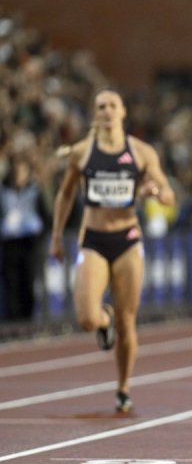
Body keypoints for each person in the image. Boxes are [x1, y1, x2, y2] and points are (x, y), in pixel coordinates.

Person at [49, 88, 175, 413]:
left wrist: (154, 191)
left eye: (112, 105)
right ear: (94, 114)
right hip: (92, 238)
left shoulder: (141, 152)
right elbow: (64, 195)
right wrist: (56, 235)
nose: (106, 111)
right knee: (86, 318)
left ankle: (123, 388)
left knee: (129, 323)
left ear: (122, 112)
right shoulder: (81, 152)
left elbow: (168, 194)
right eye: (100, 106)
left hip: (128, 240)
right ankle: (105, 318)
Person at [0, 154, 51, 321]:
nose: (18, 175)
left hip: (30, 243)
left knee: (28, 282)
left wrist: (40, 235)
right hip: (10, 243)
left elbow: (46, 216)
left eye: (22, 171)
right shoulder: (4, 191)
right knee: (11, 283)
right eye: (16, 171)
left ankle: (27, 320)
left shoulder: (35, 191)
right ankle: (13, 320)